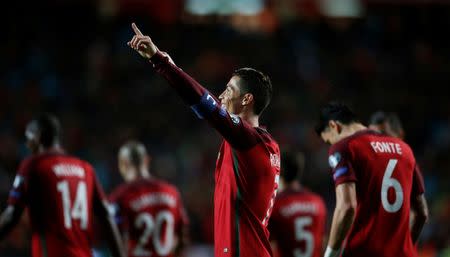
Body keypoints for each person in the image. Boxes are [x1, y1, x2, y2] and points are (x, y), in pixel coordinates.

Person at [127, 23, 281, 257]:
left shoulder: (249, 140)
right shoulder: (264, 147)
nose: (222, 95)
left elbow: (205, 103)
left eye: (229, 90)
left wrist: (160, 61)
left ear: (247, 99)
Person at [0, 114, 125, 257]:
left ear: (38, 137)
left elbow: (12, 215)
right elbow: (106, 216)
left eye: (28, 138)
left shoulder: (34, 165)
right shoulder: (85, 169)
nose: (27, 144)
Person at [314, 102, 429, 257]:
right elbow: (422, 213)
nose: (331, 145)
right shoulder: (405, 149)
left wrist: (330, 254)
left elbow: (347, 207)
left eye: (329, 141)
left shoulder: (344, 147)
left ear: (334, 126)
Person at [109, 141, 189, 257]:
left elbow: (113, 235)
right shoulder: (172, 192)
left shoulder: (120, 196)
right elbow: (183, 235)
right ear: (146, 160)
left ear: (123, 164)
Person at [268, 151, 327, 257]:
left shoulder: (275, 205)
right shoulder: (318, 202)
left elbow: (268, 246)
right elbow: (322, 242)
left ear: (278, 171)